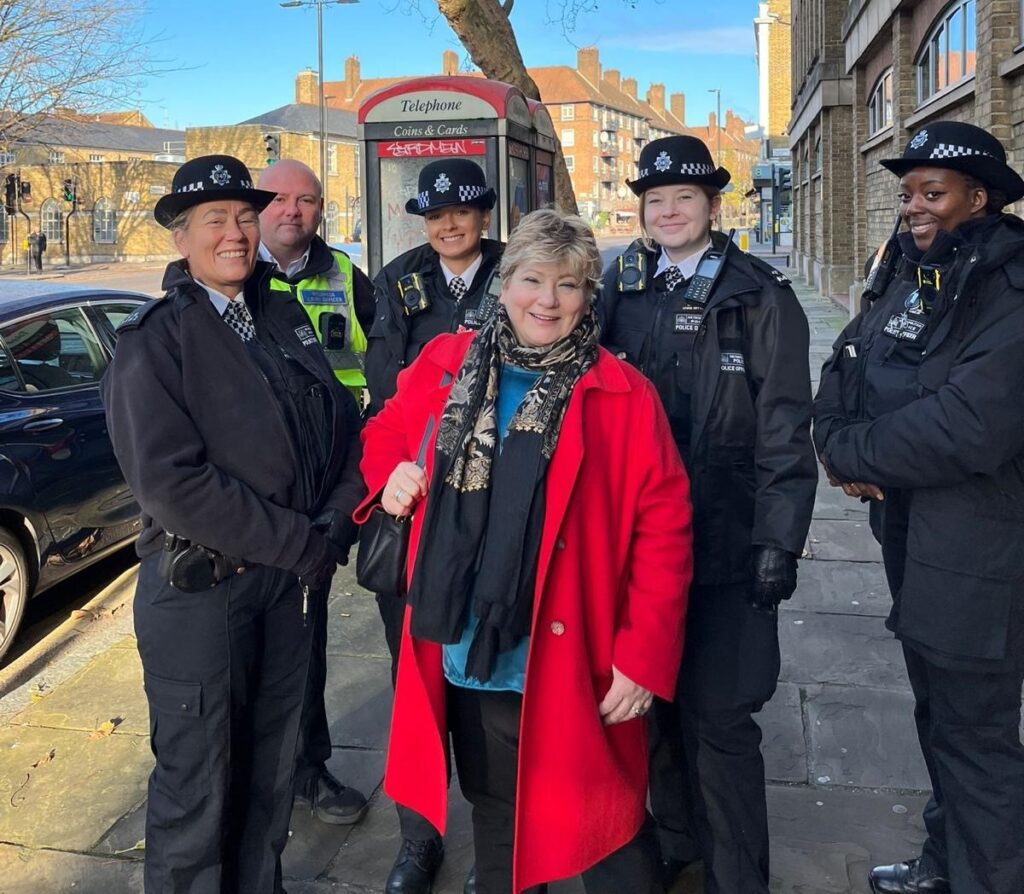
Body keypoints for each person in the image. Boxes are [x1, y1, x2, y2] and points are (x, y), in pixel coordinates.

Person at [356, 208, 693, 894]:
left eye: (568, 285)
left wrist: (642, 658)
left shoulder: (624, 394)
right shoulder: (446, 361)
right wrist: (391, 475)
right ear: (504, 285)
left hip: (573, 653)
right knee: (497, 814)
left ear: (587, 297)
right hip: (465, 645)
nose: (548, 300)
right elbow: (384, 432)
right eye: (533, 280)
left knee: (608, 825)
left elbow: (665, 533)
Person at [101, 154, 365, 893]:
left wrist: (337, 523)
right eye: (215, 219)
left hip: (286, 589)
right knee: (199, 796)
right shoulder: (154, 341)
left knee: (269, 777)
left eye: (247, 217)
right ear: (181, 238)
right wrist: (302, 544)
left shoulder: (278, 316)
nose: (236, 233)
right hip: (204, 597)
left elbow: (342, 424)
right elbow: (173, 484)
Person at [598, 134, 817, 893]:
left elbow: (785, 425)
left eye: (683, 198)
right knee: (654, 709)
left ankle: (738, 876)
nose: (668, 212)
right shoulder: (621, 288)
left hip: (727, 536)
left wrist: (778, 540)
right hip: (641, 543)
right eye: (655, 200)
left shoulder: (759, 295)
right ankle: (679, 842)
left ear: (713, 205)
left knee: (721, 720)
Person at [813, 121, 1024, 894]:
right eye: (908, 193)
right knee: (939, 717)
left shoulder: (1009, 287)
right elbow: (849, 359)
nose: (913, 207)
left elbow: (970, 424)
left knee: (975, 735)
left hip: (983, 551)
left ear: (981, 198)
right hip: (914, 535)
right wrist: (833, 438)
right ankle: (946, 863)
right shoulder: (909, 268)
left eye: (932, 193)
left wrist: (856, 453)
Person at [363, 157, 504, 894]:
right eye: (436, 214)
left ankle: (497, 844)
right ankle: (418, 839)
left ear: (484, 214)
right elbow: (385, 386)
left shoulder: (516, 273)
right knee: (414, 691)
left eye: (462, 211)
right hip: (419, 512)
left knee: (487, 693)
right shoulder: (398, 280)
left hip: (495, 509)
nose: (449, 225)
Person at [257, 158, 374, 828]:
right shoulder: (231, 274)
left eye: (306, 200)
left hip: (324, 487)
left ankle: (307, 769)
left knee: (305, 640)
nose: (291, 210)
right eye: (278, 198)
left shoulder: (346, 279)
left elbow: (381, 370)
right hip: (252, 491)